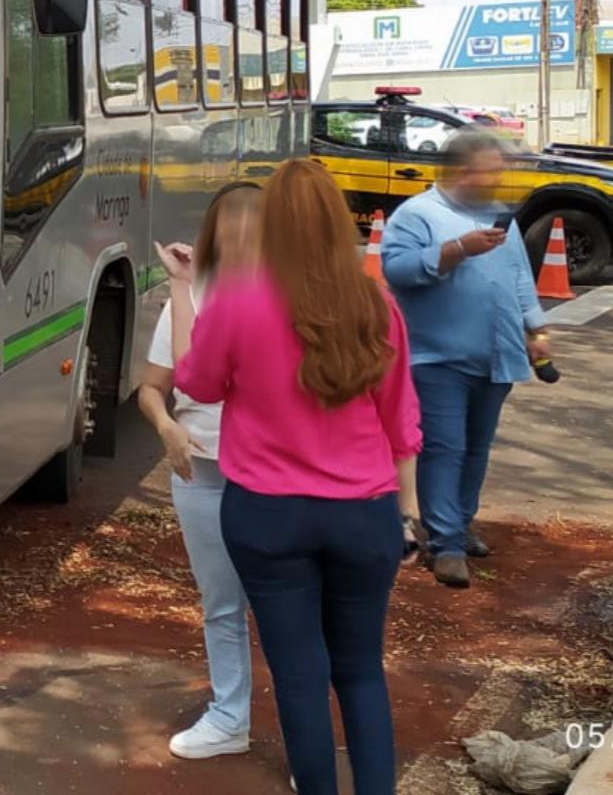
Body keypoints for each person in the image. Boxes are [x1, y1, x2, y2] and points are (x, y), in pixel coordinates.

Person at [161, 159, 422, 795]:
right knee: (361, 668)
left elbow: (194, 383)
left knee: (300, 673)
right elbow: (402, 420)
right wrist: (410, 514)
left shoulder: (244, 301)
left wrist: (186, 286)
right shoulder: (375, 303)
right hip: (363, 512)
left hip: (268, 512)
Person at [380, 128, 551, 589]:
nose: (498, 179)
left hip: (497, 356)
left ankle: (460, 521)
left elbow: (517, 276)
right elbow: (397, 271)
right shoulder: (417, 214)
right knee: (444, 447)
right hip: (437, 357)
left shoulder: (498, 215)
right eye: (491, 170)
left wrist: (536, 328)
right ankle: (446, 542)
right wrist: (456, 250)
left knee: (476, 447)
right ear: (462, 170)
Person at [137, 181, 264, 761]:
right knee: (221, 603)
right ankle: (230, 715)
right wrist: (166, 428)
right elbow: (154, 388)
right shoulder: (189, 295)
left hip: (271, 474)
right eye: (229, 223)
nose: (239, 236)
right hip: (202, 474)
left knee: (286, 605)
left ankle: (308, 728)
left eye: (253, 223)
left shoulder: (290, 295)